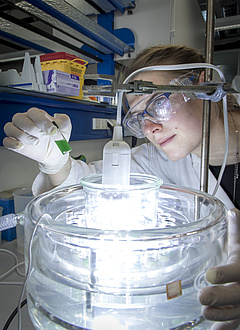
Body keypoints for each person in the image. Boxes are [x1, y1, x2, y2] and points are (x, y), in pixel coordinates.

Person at [3, 44, 240, 329]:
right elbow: (87, 185)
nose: (150, 128)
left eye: (159, 105)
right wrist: (56, 160)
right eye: (139, 118)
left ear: (203, 84)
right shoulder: (155, 159)